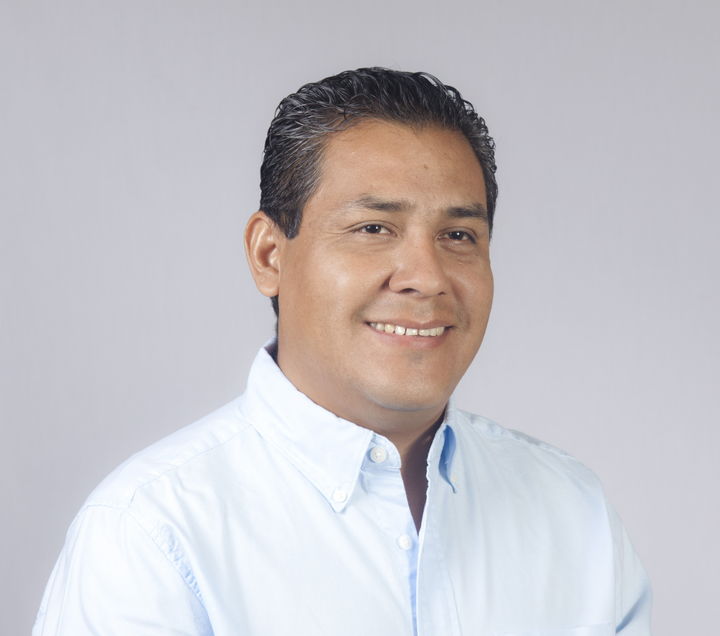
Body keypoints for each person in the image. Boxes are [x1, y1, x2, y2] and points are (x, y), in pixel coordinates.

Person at [33, 68, 652, 635]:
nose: (427, 277)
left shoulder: (574, 515)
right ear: (269, 255)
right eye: (373, 228)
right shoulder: (150, 536)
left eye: (458, 234)